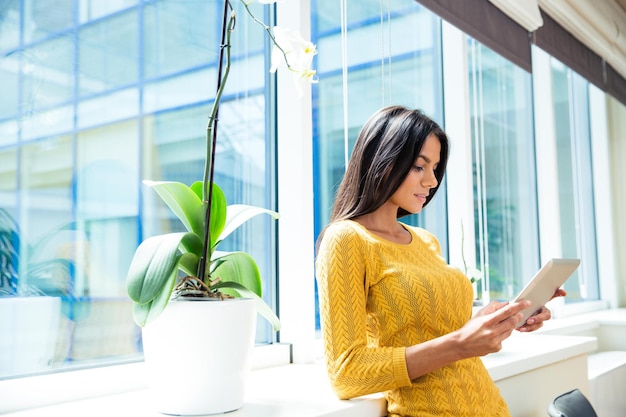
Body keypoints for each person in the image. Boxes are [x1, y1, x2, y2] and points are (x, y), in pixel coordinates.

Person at [315, 105, 565, 417]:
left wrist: (504, 317)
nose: (432, 181)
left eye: (435, 168)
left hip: (491, 407)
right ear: (382, 161)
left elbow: (439, 330)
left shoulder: (425, 240)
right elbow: (346, 374)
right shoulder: (346, 239)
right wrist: (461, 343)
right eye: (419, 167)